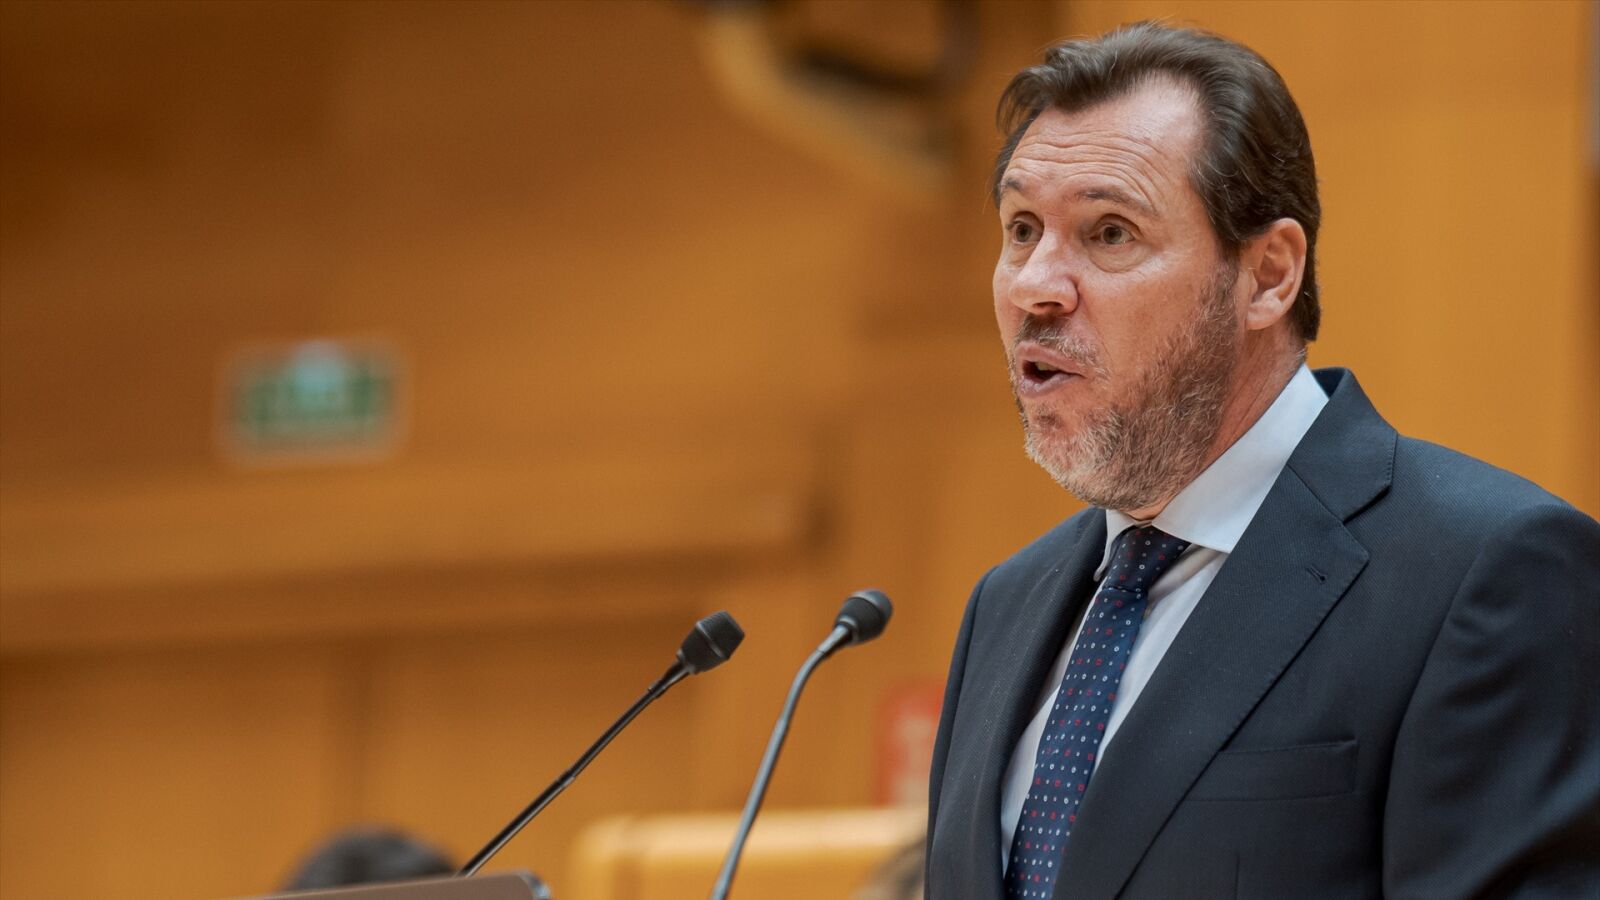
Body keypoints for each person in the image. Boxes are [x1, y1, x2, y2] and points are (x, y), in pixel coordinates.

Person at [925, 21, 1599, 900]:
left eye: (1110, 233)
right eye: (1021, 229)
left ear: (1269, 275)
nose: (1033, 286)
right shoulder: (1005, 605)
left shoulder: (1489, 571)